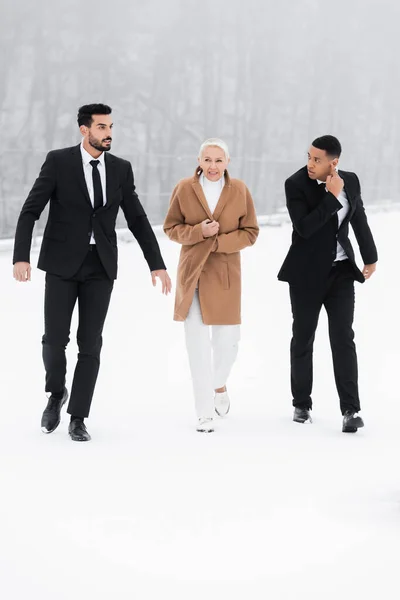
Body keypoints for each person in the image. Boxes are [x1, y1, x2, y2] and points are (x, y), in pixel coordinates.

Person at [13, 103, 171, 442]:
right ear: (84, 130)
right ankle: (56, 393)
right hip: (60, 264)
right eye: (101, 127)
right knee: (55, 339)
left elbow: (138, 218)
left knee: (90, 343)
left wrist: (156, 263)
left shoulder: (120, 169)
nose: (108, 133)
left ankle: (78, 416)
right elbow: (30, 211)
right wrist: (21, 257)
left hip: (100, 265)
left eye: (111, 126)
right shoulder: (58, 161)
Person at [278, 135, 378, 433]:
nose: (310, 163)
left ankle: (351, 410)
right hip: (306, 275)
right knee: (303, 337)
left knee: (343, 338)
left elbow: (358, 218)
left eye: (317, 159)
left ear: (334, 162)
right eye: (308, 156)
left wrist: (370, 257)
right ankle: (302, 403)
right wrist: (331, 197)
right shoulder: (295, 184)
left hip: (340, 273)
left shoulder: (351, 181)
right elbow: (305, 228)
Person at [163, 138, 259, 432]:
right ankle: (204, 412)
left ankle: (218, 384)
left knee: (228, 343)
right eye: (207, 160)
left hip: (226, 275)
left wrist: (218, 242)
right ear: (199, 161)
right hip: (193, 275)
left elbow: (251, 232)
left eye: (219, 160)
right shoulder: (184, 188)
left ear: (227, 162)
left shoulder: (240, 190)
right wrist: (197, 231)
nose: (213, 166)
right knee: (197, 346)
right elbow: (170, 228)